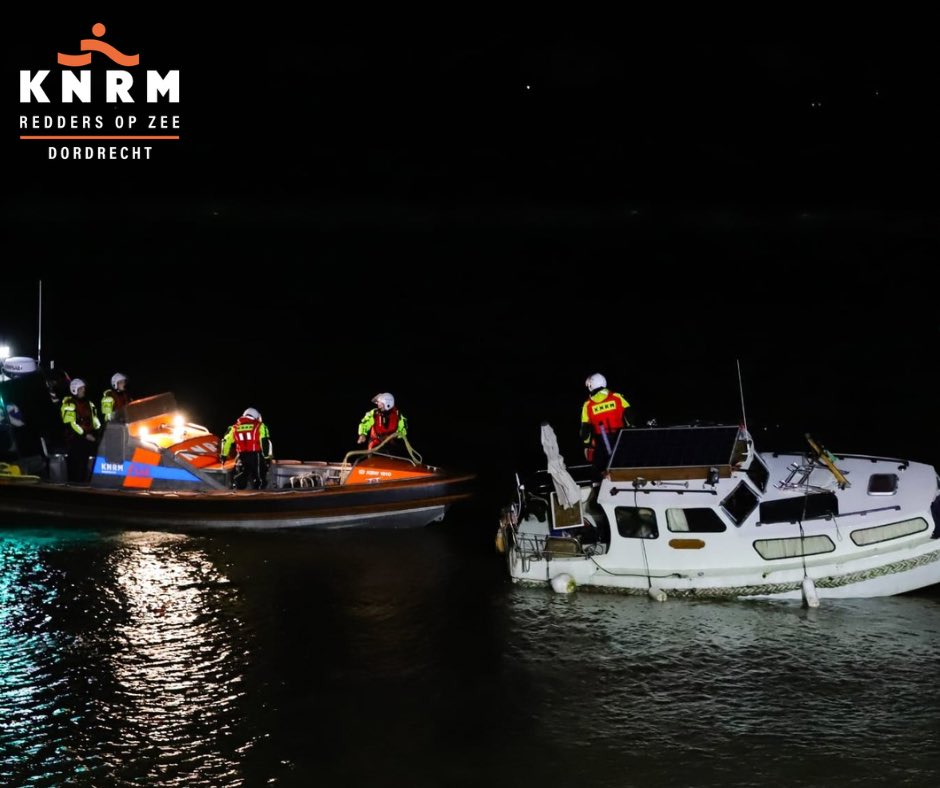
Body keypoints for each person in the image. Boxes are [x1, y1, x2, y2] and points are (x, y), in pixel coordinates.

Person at [580, 373, 632, 469]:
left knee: (602, 468)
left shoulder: (587, 405)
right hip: (620, 437)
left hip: (601, 442)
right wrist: (631, 431)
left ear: (592, 385)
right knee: (623, 463)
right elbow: (630, 417)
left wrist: (586, 444)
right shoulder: (617, 397)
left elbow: (585, 430)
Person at [220, 407, 273, 490]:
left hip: (241, 456)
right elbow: (264, 442)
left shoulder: (234, 427)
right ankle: (260, 494)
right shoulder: (260, 426)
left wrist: (224, 455)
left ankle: (238, 491)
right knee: (260, 477)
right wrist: (267, 457)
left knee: (243, 474)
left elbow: (226, 441)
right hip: (256, 456)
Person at [60, 377, 101, 483]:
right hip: (74, 440)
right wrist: (85, 435)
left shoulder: (89, 404)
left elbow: (95, 421)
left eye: (84, 388)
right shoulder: (68, 404)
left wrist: (101, 431)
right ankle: (75, 486)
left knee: (90, 464)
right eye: (81, 388)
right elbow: (71, 424)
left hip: (89, 438)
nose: (84, 390)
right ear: (74, 390)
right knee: (77, 467)